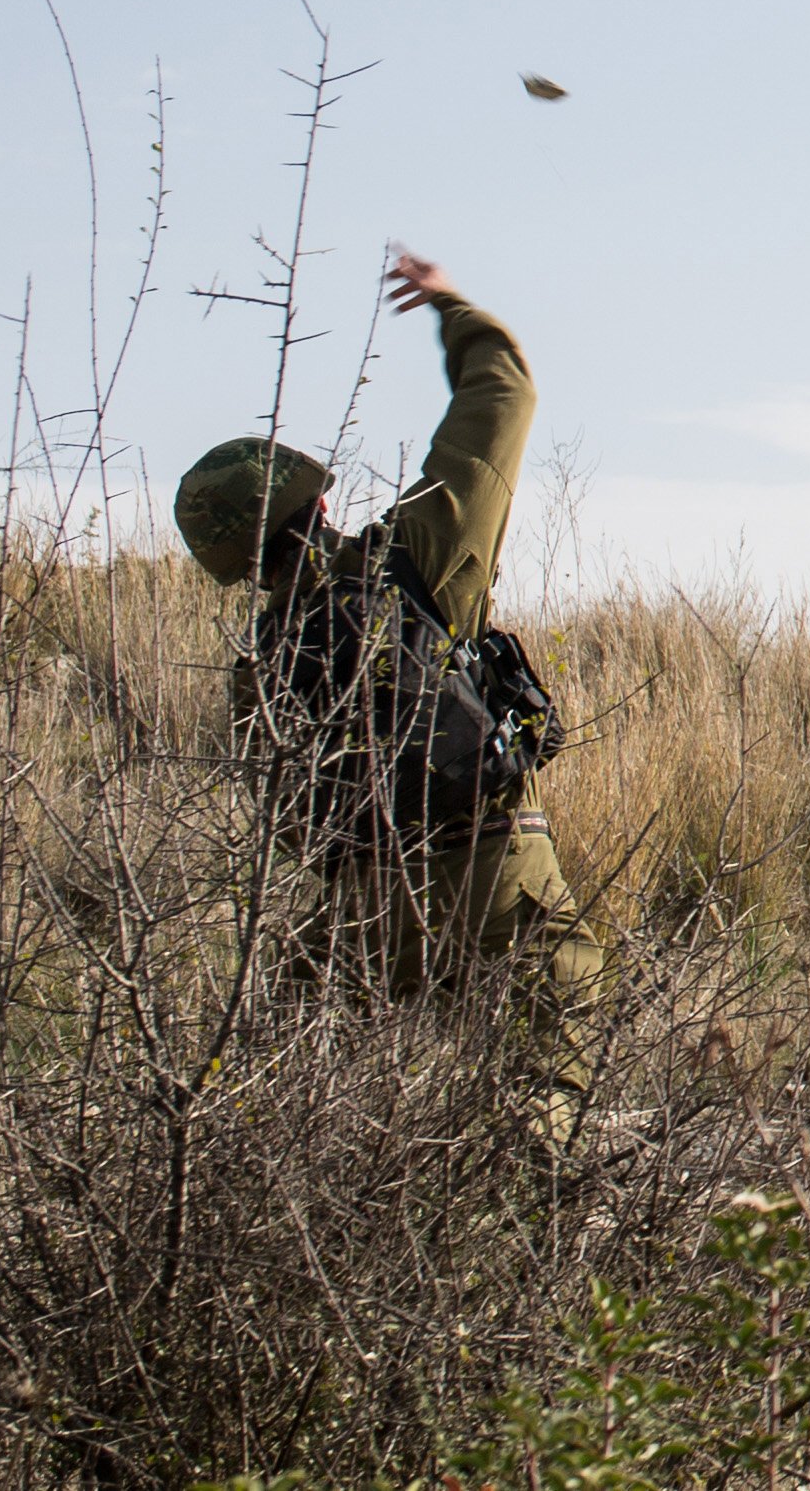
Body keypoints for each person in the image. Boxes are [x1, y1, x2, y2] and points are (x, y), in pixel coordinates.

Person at [173, 249, 602, 1133]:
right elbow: (504, 396)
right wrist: (452, 308)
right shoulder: (412, 556)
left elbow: (296, 827)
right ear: (316, 505)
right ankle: (535, 1196)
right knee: (553, 1042)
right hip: (491, 860)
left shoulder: (261, 663)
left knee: (294, 1077)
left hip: (366, 900)